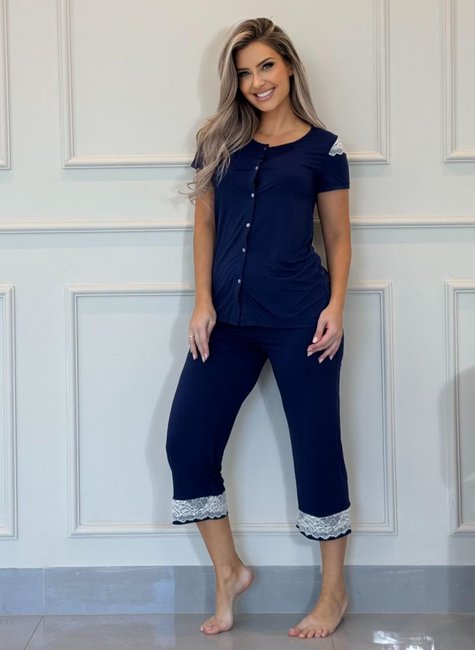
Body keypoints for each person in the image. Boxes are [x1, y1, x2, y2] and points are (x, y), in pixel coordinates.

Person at [166, 16, 352, 640]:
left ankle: (334, 592)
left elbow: (339, 236)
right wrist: (202, 302)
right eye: (245, 73)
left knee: (317, 448)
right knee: (187, 443)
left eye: (266, 66)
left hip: (302, 319)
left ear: (289, 66)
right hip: (227, 321)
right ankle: (229, 572)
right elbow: (204, 224)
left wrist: (336, 306)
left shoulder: (324, 149)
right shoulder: (218, 141)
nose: (256, 81)